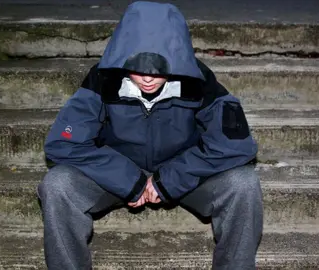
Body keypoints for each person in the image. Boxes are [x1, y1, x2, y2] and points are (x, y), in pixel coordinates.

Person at [37, 1, 263, 269]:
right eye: (138, 68)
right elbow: (62, 143)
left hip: (181, 173)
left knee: (244, 184)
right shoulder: (103, 79)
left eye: (157, 70)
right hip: (114, 173)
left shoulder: (198, 80)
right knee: (57, 184)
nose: (147, 78)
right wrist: (127, 178)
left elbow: (237, 146)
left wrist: (169, 180)